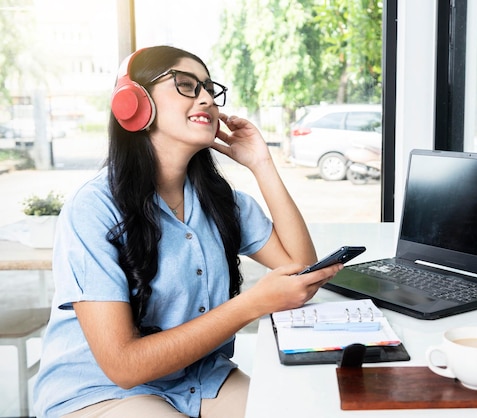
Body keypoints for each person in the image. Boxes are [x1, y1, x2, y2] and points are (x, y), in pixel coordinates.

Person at [33, 45, 342, 418]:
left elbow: (302, 274)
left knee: (306, 412)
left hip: (199, 377)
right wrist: (253, 303)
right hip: (101, 390)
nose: (207, 99)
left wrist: (261, 164)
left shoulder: (222, 201)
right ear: (134, 103)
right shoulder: (93, 209)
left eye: (210, 89)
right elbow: (124, 366)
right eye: (186, 85)